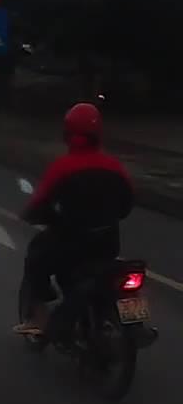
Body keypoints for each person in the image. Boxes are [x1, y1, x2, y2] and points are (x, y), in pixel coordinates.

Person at [13, 102, 134, 335]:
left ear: (67, 134)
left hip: (70, 245)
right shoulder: (115, 166)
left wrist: (30, 215)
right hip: (108, 244)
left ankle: (38, 319)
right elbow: (126, 204)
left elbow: (39, 203)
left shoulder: (63, 168)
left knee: (35, 258)